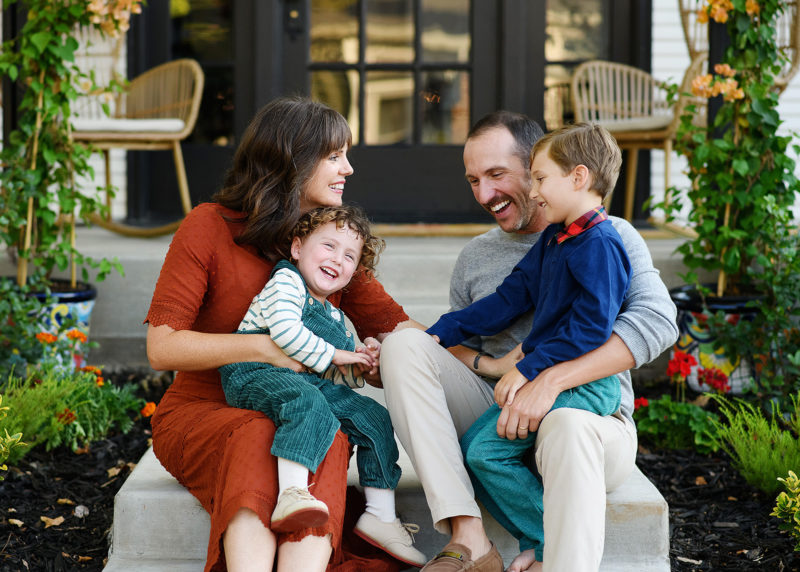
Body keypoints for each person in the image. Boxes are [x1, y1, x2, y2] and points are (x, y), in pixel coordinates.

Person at [379, 111, 679, 572]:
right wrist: (441, 337)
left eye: (498, 175)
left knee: (568, 425)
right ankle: (470, 535)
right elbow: (500, 305)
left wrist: (543, 376)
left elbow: (652, 323)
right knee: (405, 346)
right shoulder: (508, 250)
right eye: (473, 180)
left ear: (543, 169)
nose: (484, 194)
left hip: (587, 414)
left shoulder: (611, 237)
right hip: (506, 399)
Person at [145, 96, 421, 572]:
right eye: (334, 156)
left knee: (327, 432)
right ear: (293, 160)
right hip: (205, 410)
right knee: (259, 431)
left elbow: (401, 331)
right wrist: (265, 348)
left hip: (305, 405)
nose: (349, 169)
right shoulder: (209, 227)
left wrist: (379, 357)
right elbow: (163, 346)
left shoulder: (329, 244)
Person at [427, 123, 631, 565]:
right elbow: (506, 301)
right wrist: (436, 334)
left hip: (586, 388)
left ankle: (547, 548)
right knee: (479, 453)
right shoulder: (554, 240)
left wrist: (527, 369)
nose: (534, 192)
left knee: (488, 451)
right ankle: (541, 536)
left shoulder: (602, 244)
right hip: (544, 377)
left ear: (578, 178)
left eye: (540, 178)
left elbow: (592, 329)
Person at [218, 205, 425, 567]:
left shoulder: (335, 316)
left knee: (372, 416)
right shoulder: (285, 281)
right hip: (254, 370)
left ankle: (381, 514)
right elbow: (284, 331)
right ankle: (293, 493)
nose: (337, 259)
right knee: (307, 400)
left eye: (349, 256)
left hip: (307, 377)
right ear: (297, 248)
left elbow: (336, 372)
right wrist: (338, 355)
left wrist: (364, 360)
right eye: (328, 246)